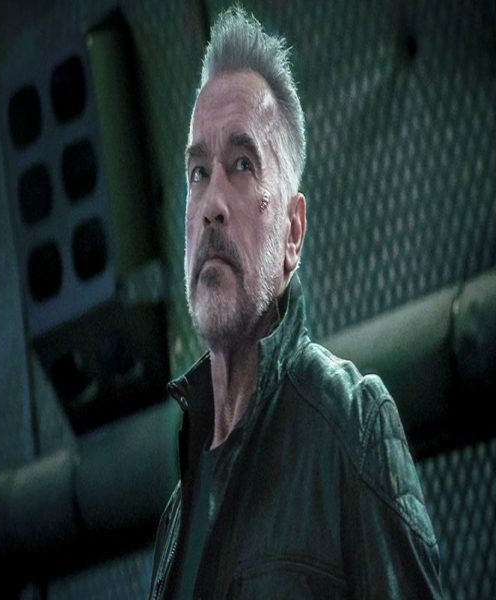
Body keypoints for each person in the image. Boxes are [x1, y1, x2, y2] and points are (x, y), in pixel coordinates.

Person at [149, 6, 442, 599]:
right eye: (198, 172)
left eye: (242, 165)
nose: (211, 204)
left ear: (293, 232)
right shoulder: (179, 515)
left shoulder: (352, 425)